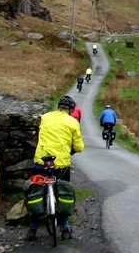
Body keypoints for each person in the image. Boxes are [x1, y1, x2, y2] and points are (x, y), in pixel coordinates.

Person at [29, 95, 84, 241]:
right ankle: (65, 227)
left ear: (58, 107)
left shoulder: (45, 117)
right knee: (64, 191)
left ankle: (32, 229)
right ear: (71, 110)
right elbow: (78, 146)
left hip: (41, 161)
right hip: (60, 164)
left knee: (36, 190)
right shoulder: (72, 121)